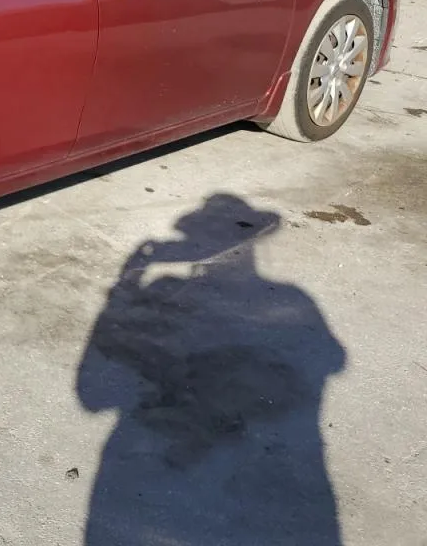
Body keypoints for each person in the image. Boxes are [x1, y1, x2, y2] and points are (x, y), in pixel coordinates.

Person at [77, 194, 346, 545]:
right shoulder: (295, 299)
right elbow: (335, 360)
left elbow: (92, 397)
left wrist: (127, 283)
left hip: (143, 493)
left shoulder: (289, 300)